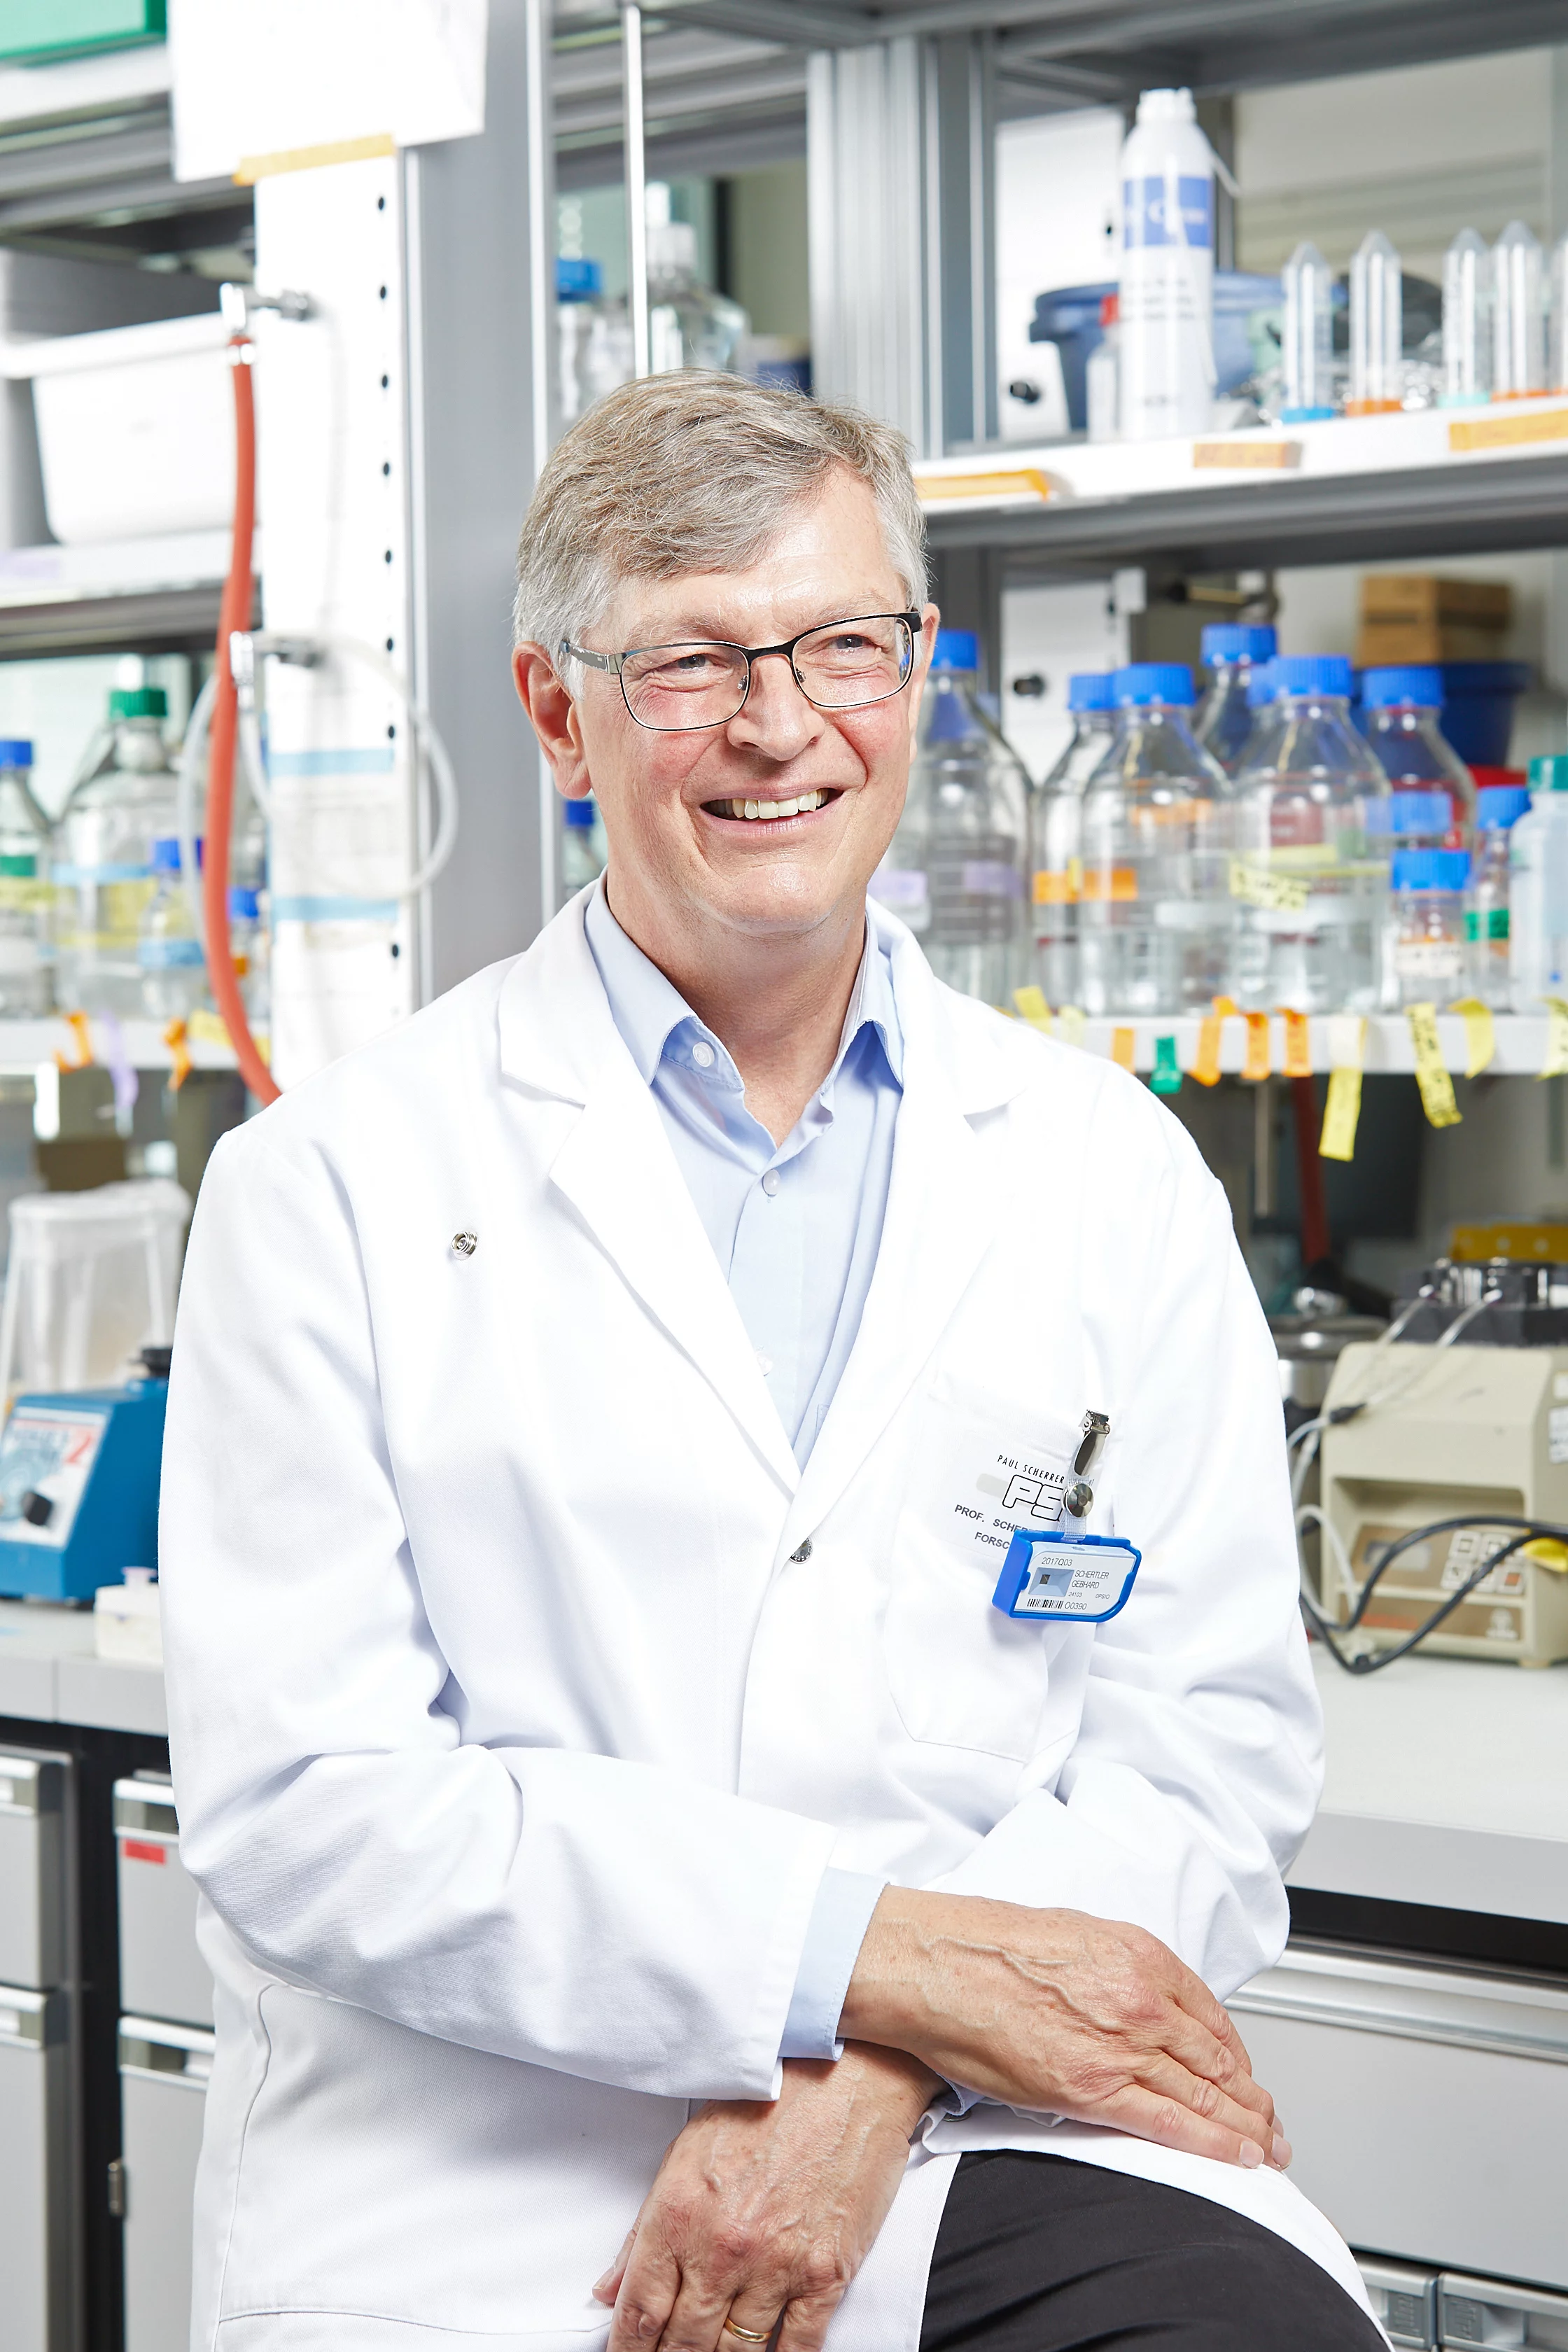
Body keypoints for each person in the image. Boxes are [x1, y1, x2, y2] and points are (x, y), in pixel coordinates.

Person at [160, 372, 1382, 2352]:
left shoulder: (1102, 1171)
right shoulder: (334, 1185)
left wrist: (873, 2060)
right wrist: (868, 1959)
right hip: (476, 2183)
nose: (783, 725)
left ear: (918, 670)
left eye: (844, 645)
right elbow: (314, 1805)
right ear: (557, 712)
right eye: (694, 662)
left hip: (970, 2144)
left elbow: (1204, 1749)